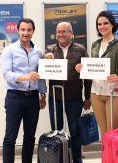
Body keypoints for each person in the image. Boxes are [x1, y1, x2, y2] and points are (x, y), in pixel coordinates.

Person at [76, 11, 118, 137]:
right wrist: (83, 68)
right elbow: (94, 67)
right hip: (96, 93)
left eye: (105, 23)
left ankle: (114, 157)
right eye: (99, 24)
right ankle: (106, 157)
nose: (102, 26)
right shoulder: (94, 45)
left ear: (112, 24)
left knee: (113, 132)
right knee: (103, 132)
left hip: (115, 93)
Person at [0, 18, 47, 163]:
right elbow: (6, 74)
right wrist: (25, 77)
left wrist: (43, 94)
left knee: (30, 137)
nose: (26, 33)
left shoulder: (38, 52)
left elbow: (41, 75)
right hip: (15, 97)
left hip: (33, 98)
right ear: (18, 31)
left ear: (33, 31)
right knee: (10, 137)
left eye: (29, 30)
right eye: (23, 30)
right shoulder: (9, 50)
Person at [44, 22, 92, 163]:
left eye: (64, 31)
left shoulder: (81, 50)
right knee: (56, 133)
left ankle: (77, 160)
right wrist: (44, 59)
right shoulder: (50, 50)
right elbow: (41, 72)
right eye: (58, 32)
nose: (61, 34)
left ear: (71, 34)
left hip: (74, 98)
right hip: (55, 99)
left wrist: (87, 97)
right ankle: (58, 159)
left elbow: (87, 75)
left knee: (75, 132)